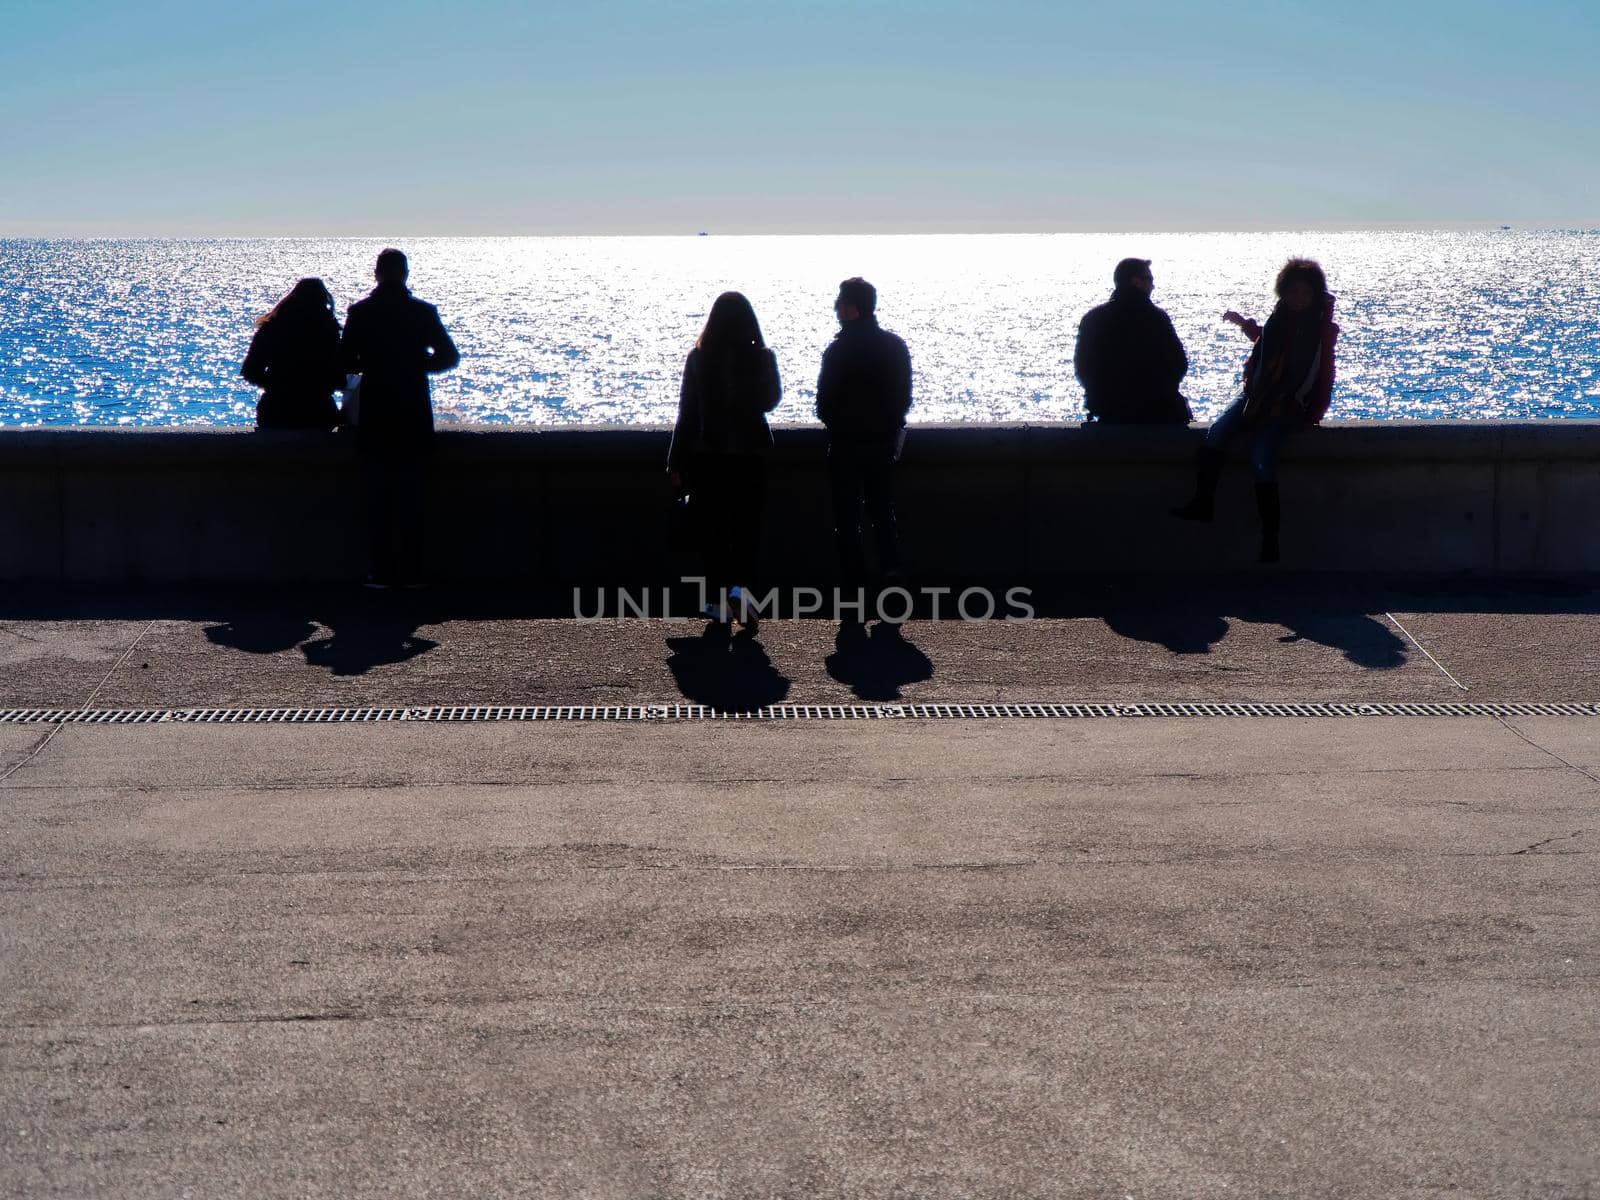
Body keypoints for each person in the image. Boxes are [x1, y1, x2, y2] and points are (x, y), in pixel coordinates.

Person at [1172, 257, 1339, 563]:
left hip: (1288, 405)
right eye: (1291, 292)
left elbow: (1324, 373)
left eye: (1303, 293)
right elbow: (1266, 343)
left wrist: (1312, 413)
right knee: (1216, 433)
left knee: (1263, 457)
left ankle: (1270, 539)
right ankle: (1203, 502)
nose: (1297, 299)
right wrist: (1243, 324)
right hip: (1255, 393)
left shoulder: (1321, 330)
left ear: (1314, 294)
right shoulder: (1279, 320)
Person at [339, 248, 460, 588]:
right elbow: (449, 356)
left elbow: (344, 360)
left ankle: (380, 570)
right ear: (405, 274)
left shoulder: (360, 313)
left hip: (377, 414)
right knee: (411, 498)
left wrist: (373, 364)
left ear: (376, 273)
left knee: (378, 498)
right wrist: (417, 365)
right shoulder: (422, 312)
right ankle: (411, 570)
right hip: (413, 414)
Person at [667, 291, 782, 628]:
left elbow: (687, 414)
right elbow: (771, 400)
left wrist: (675, 462)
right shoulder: (762, 358)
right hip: (751, 458)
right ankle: (743, 596)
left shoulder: (699, 359)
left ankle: (717, 602)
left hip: (710, 460)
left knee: (714, 533)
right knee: (747, 533)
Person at [816, 277, 913, 596]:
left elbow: (824, 403)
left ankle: (855, 585)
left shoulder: (838, 350)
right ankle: (891, 571)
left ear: (851, 309)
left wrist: (841, 425)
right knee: (883, 513)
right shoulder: (895, 347)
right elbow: (903, 397)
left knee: (847, 520)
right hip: (882, 444)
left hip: (845, 446)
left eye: (840, 302)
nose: (836, 307)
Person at [1074, 257, 1191, 424]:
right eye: (1149, 279)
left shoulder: (1092, 318)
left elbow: (1083, 368)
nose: (1153, 285)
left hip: (1108, 411)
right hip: (1156, 410)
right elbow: (1179, 364)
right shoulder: (1156, 318)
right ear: (1136, 282)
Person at [240, 278, 344, 430]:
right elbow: (338, 376)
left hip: (276, 411)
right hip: (318, 412)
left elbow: (250, 371)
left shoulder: (272, 328)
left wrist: (277, 386)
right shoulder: (329, 330)